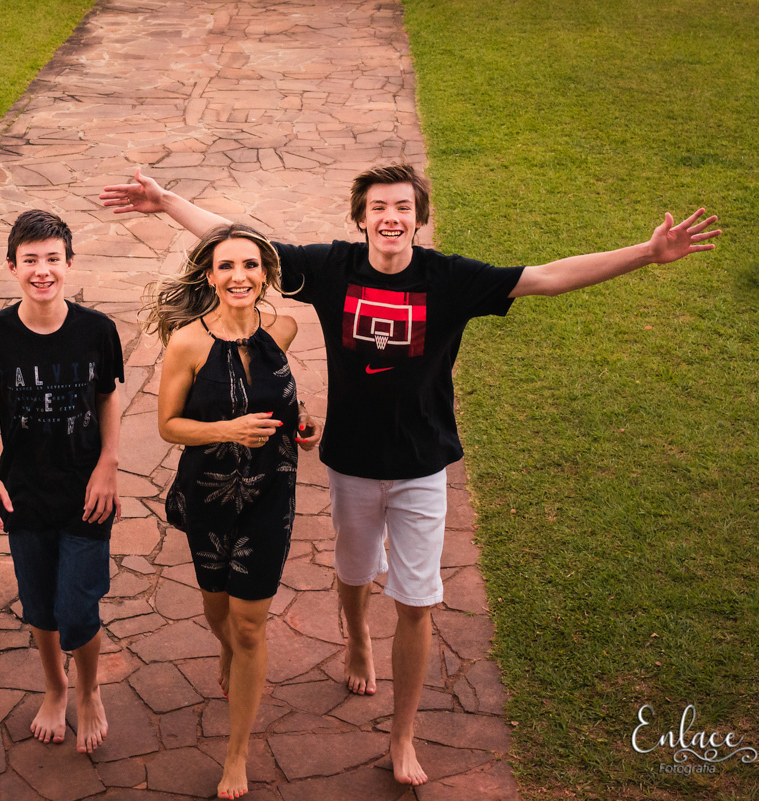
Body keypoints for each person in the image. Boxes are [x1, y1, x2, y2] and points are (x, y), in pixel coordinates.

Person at [101, 164, 720, 786]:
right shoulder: (333, 267)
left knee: (417, 601)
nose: (391, 217)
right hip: (350, 463)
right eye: (378, 207)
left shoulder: (450, 278)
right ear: (360, 217)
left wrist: (646, 252)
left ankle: (402, 737)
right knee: (352, 574)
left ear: (418, 219)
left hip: (423, 465)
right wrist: (169, 201)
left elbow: (548, 277)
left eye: (402, 207)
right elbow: (243, 244)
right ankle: (358, 641)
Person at [144, 223, 320, 800]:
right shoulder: (188, 343)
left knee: (250, 623)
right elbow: (169, 426)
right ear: (210, 275)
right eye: (226, 267)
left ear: (265, 274)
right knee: (219, 612)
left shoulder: (285, 328)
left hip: (273, 492)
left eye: (250, 265)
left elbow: (275, 400)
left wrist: (302, 423)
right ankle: (227, 649)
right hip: (210, 496)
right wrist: (226, 430)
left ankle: (236, 752)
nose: (239, 276)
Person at [0, 209, 124, 755]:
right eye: (30, 260)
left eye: (52, 259)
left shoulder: (97, 330)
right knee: (40, 607)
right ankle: (55, 688)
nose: (42, 270)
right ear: (12, 267)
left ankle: (89, 689)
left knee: (79, 609)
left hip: (86, 493)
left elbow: (107, 398)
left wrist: (108, 466)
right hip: (23, 492)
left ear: (69, 263)